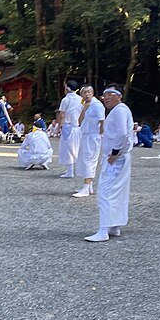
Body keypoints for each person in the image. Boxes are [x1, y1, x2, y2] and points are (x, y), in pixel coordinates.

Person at [84, 86, 135, 242]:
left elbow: (121, 133)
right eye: (104, 95)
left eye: (109, 95)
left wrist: (114, 153)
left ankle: (104, 229)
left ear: (119, 96)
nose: (105, 98)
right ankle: (115, 225)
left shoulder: (119, 110)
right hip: (121, 156)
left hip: (117, 157)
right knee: (118, 192)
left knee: (106, 192)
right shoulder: (121, 110)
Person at [73, 85, 105, 198]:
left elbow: (102, 121)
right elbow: (80, 121)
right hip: (85, 135)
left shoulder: (97, 105)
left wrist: (100, 134)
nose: (87, 94)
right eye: (84, 92)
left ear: (92, 92)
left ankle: (86, 188)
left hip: (93, 136)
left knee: (89, 160)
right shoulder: (86, 105)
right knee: (84, 159)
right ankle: (88, 185)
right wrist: (84, 108)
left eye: (89, 92)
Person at [57, 79, 82, 178]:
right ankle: (76, 170)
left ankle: (70, 171)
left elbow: (61, 114)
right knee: (76, 148)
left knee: (68, 149)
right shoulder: (81, 99)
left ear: (67, 88)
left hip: (68, 125)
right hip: (77, 126)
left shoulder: (66, 100)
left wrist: (59, 126)